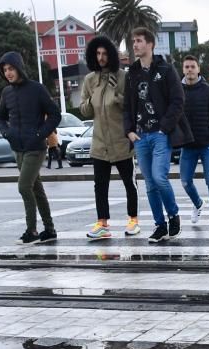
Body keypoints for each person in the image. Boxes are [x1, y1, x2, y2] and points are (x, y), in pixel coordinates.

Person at [123, 27, 192, 244]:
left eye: (139, 41)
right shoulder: (132, 73)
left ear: (150, 44)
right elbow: (127, 105)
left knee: (159, 177)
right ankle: (159, 225)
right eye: (133, 41)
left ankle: (173, 215)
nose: (135, 45)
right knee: (149, 183)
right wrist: (129, 130)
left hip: (161, 134)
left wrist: (164, 127)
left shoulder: (165, 69)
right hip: (141, 136)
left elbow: (178, 100)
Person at [0, 51, 61, 244]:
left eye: (11, 68)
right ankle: (49, 229)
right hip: (18, 148)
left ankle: (31, 231)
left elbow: (55, 115)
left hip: (35, 148)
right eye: (5, 70)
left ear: (19, 68)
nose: (8, 73)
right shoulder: (6, 92)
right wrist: (6, 132)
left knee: (24, 186)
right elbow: (0, 116)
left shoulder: (37, 89)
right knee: (36, 189)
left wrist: (41, 134)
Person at [79, 35, 140, 241]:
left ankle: (133, 220)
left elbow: (131, 106)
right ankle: (102, 223)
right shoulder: (89, 80)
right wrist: (92, 98)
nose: (101, 57)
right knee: (100, 185)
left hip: (121, 140)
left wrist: (117, 95)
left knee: (129, 183)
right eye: (98, 53)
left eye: (105, 53)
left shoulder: (123, 76)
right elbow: (85, 111)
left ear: (111, 55)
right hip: (99, 143)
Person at [179, 54, 209, 230]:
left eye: (193, 67)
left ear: (198, 69)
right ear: (183, 70)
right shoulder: (177, 91)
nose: (190, 70)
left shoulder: (208, 91)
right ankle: (198, 204)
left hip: (206, 144)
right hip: (187, 146)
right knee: (185, 182)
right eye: (186, 67)